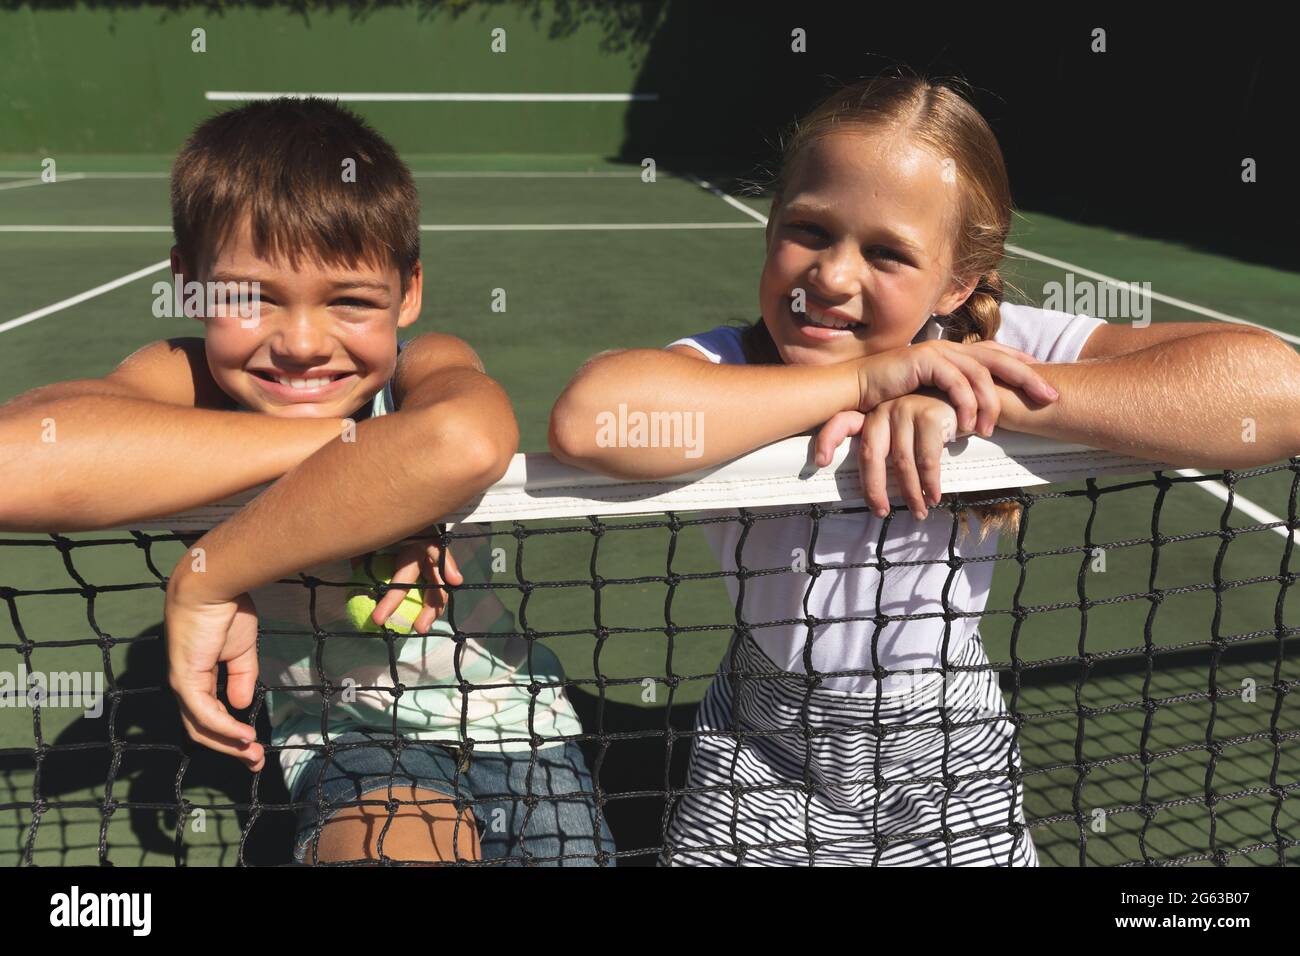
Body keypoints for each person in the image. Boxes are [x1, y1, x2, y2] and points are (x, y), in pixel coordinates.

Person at [548, 75, 1300, 865]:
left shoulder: (998, 343)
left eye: (886, 253)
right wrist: (869, 381)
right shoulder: (738, 361)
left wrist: (977, 395)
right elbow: (592, 418)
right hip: (761, 752)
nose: (833, 277)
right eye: (808, 230)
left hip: (947, 752)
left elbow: (1274, 390)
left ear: (957, 282)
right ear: (769, 227)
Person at [0, 97, 611, 866]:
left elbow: (460, 437)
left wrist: (209, 572)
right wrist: (371, 460)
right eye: (249, 298)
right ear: (188, 286)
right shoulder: (187, 379)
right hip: (354, 742)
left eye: (350, 301)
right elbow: (16, 459)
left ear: (409, 292)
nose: (299, 344)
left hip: (525, 732)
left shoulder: (425, 366)